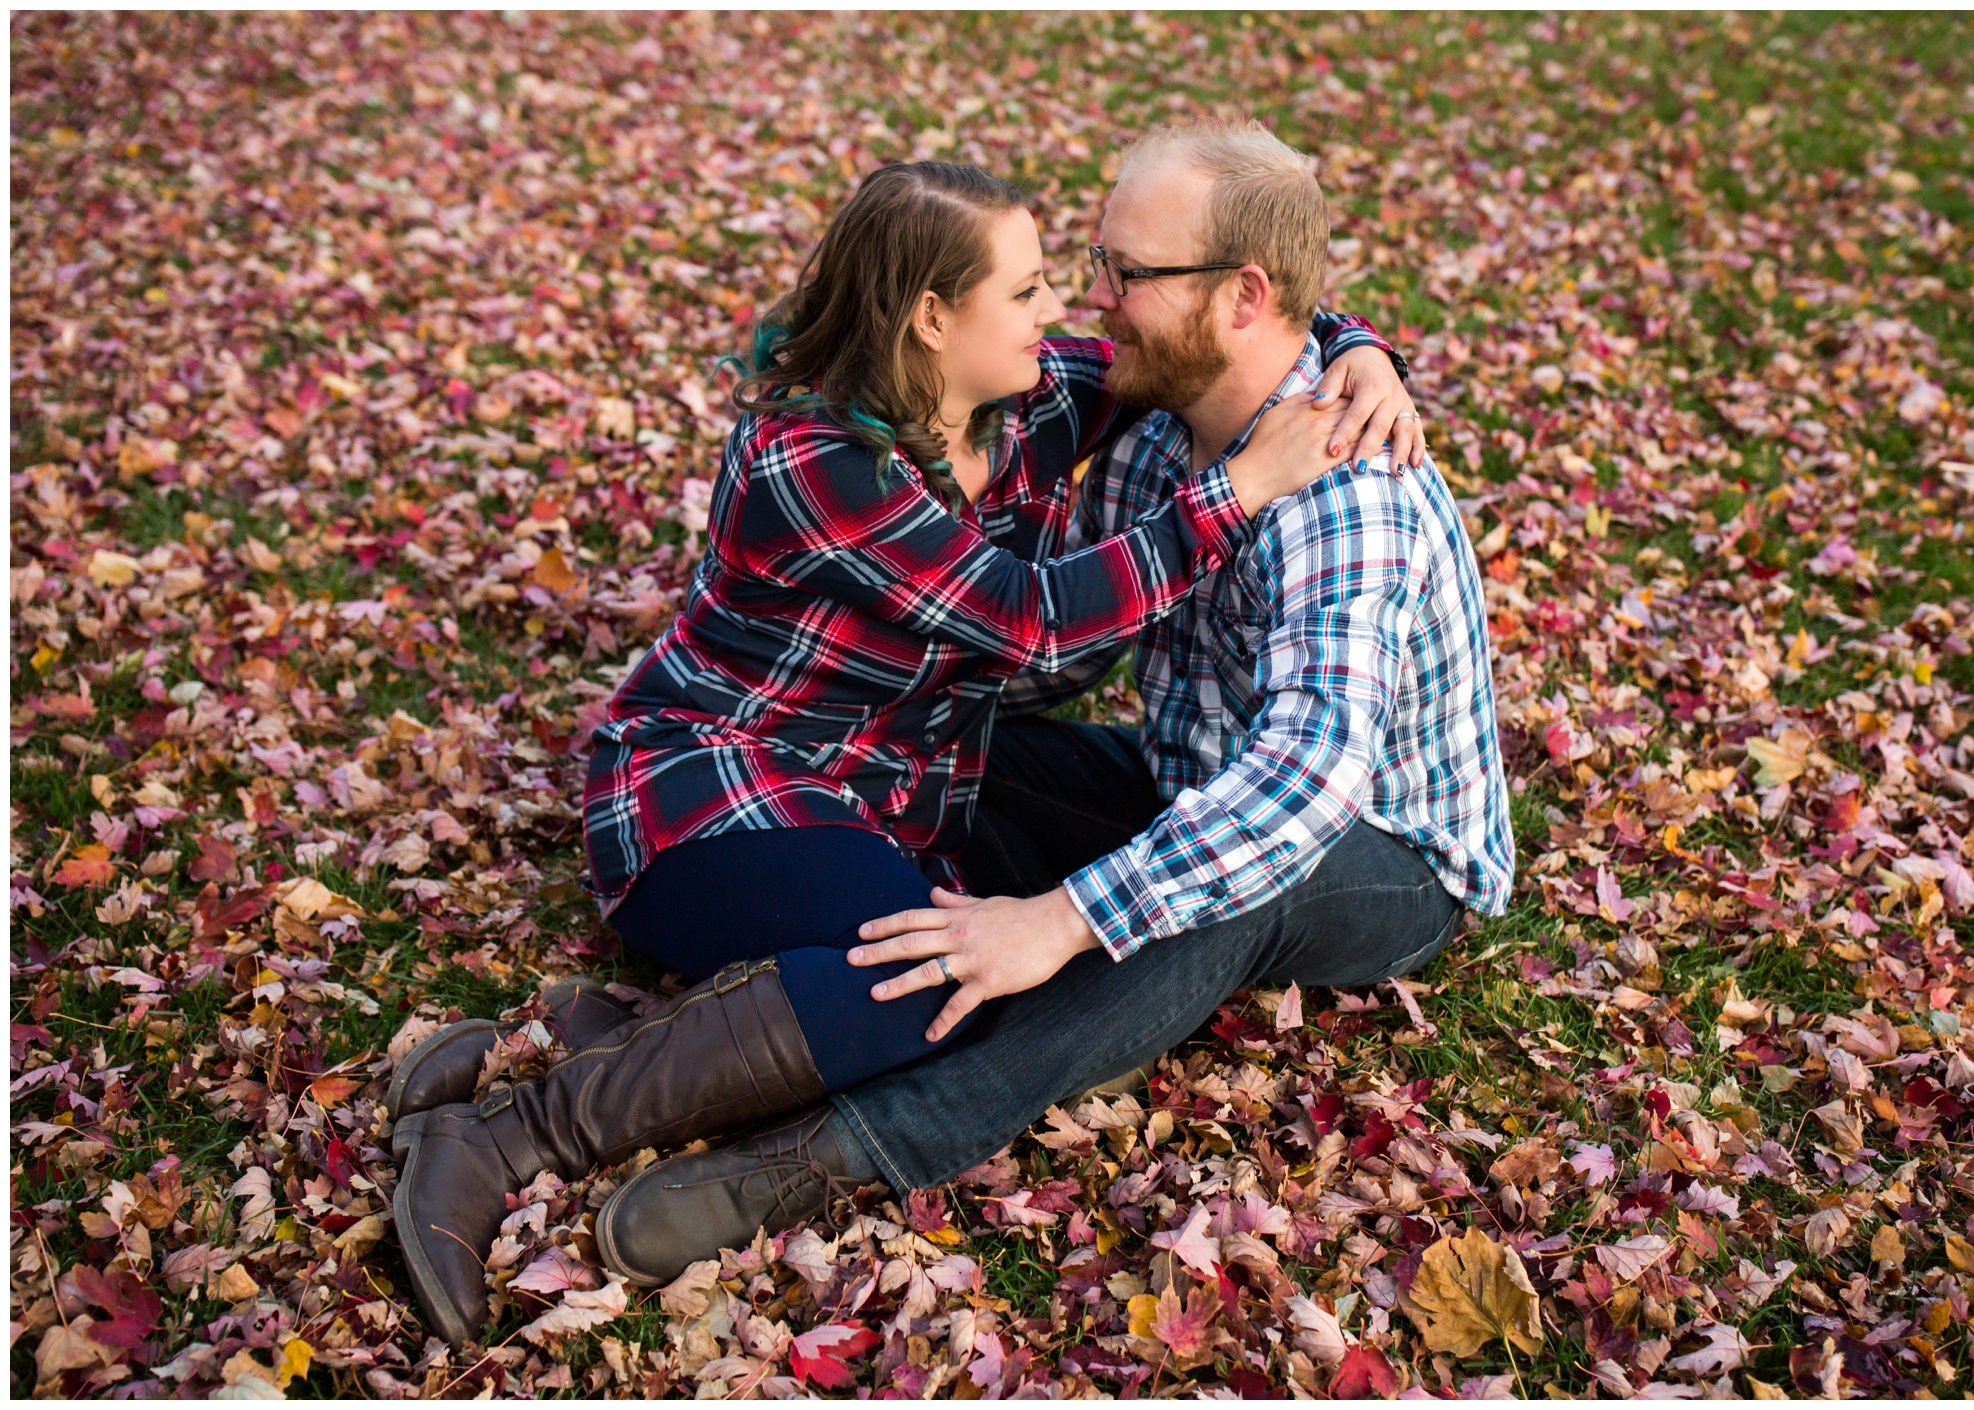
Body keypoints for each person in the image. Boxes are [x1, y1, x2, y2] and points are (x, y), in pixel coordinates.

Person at [386, 158, 1425, 1346]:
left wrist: (1359, 348)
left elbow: (1220, 330)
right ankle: (517, 1133)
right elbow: (1027, 616)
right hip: (711, 792)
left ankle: (567, 1039)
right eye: (1030, 291)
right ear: (933, 318)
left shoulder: (1030, 398)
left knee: (938, 965)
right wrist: (1231, 493)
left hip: (880, 798)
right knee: (928, 981)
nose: (1065, 311)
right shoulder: (815, 461)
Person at [584, 120, 1515, 1288]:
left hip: (1384, 850)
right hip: (1186, 762)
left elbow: (1303, 785)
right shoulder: (1151, 426)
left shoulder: (1347, 498)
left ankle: (860, 1143)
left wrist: (1062, 921)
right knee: (963, 756)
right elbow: (1052, 634)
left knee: (1222, 888)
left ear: (1241, 297)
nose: (1093, 302)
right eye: (1088, 266)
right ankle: (776, 970)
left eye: (1124, 273)